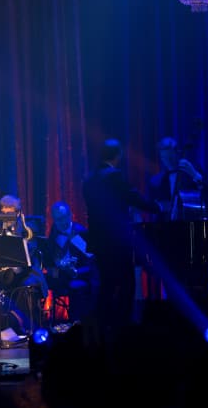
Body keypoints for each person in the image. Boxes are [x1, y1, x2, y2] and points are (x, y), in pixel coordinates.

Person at [82, 138, 161, 332]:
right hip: (116, 239)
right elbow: (132, 197)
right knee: (126, 281)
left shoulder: (89, 179)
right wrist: (157, 207)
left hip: (99, 241)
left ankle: (102, 324)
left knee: (107, 283)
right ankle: (124, 325)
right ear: (118, 155)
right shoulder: (114, 176)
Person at [0, 194, 46, 335]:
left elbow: (29, 255)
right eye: (3, 213)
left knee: (25, 285)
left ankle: (29, 328)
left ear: (18, 213)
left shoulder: (28, 229)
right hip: (5, 273)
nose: (6, 217)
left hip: (27, 272)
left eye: (10, 213)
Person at [43, 200, 98, 324]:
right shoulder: (55, 231)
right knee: (38, 283)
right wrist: (57, 265)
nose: (60, 223)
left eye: (63, 218)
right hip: (62, 275)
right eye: (57, 219)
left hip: (80, 274)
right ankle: (43, 325)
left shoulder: (79, 233)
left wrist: (75, 271)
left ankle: (77, 324)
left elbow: (91, 262)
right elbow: (52, 256)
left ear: (70, 215)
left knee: (75, 287)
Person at [148, 136, 208, 221]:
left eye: (170, 157)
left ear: (177, 153)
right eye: (164, 158)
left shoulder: (191, 169)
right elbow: (154, 209)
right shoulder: (157, 181)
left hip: (191, 222)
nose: (168, 161)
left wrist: (195, 175)